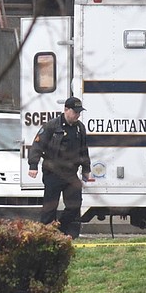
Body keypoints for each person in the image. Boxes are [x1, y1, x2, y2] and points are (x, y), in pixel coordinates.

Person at [27, 96, 92, 238]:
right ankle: (46, 235)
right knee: (50, 207)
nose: (77, 115)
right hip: (53, 172)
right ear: (66, 110)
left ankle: (67, 232)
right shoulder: (52, 126)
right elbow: (37, 145)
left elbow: (83, 150)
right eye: (75, 112)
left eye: (79, 112)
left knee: (75, 205)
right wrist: (33, 165)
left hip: (71, 173)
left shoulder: (80, 128)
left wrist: (86, 169)